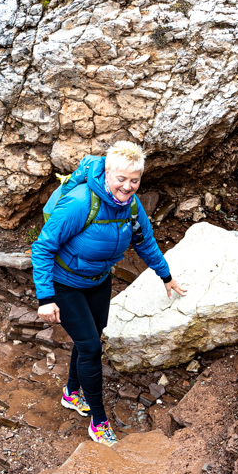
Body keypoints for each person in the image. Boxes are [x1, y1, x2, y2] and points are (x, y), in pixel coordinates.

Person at [31, 141, 186, 447]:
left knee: (90, 339)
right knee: (90, 347)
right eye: (121, 179)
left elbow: (144, 241)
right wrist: (46, 298)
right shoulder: (80, 202)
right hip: (65, 283)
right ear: (107, 173)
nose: (127, 186)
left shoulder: (131, 206)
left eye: (134, 180)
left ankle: (71, 393)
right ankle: (99, 422)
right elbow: (43, 247)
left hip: (98, 281)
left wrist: (165, 275)